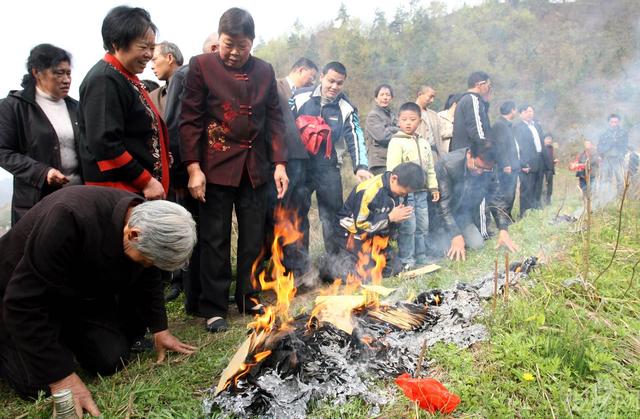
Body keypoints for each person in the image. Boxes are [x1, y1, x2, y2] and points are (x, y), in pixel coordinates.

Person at [0, 186, 197, 417]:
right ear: (133, 234)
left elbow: (148, 275)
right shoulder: (68, 217)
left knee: (110, 359)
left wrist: (159, 329)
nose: (147, 266)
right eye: (147, 261)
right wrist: (62, 378)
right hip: (16, 297)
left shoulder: (145, 221)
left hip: (76, 296)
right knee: (38, 385)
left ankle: (57, 338)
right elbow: (22, 302)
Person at [180, 8, 288, 333]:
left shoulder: (265, 71)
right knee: (215, 238)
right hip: (214, 166)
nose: (235, 52)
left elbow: (276, 120)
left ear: (252, 43)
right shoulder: (201, 67)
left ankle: (247, 296)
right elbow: (190, 119)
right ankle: (214, 306)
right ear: (219, 40)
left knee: (253, 237)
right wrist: (193, 168)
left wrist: (280, 163)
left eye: (242, 45)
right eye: (228, 44)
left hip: (255, 167)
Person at [78, 6, 169, 200]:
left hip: (136, 191)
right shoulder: (104, 79)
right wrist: (146, 180)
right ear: (117, 43)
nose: (149, 55)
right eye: (143, 47)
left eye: (152, 48)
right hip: (120, 193)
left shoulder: (126, 77)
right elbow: (105, 143)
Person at [162, 33, 220, 308]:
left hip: (209, 170)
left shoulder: (217, 78)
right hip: (189, 171)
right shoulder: (186, 75)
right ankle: (194, 299)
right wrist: (182, 174)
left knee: (207, 232)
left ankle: (201, 295)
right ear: (209, 48)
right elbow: (175, 125)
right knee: (192, 232)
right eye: (218, 48)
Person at [291, 61, 371, 257]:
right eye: (331, 81)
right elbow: (282, 125)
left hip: (329, 167)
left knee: (332, 217)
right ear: (321, 78)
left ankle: (335, 265)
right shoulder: (299, 96)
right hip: (301, 167)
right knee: (297, 214)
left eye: (339, 83)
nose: (334, 87)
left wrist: (360, 166)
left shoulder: (347, 107)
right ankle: (300, 266)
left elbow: (355, 135)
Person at [0, 44, 82, 226]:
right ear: (37, 73)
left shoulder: (75, 108)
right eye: (59, 73)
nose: (66, 79)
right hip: (36, 203)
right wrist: (42, 172)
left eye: (69, 73)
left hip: (77, 199)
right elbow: (3, 151)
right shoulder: (14, 107)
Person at [323, 162, 424, 282]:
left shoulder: (399, 189)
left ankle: (365, 261)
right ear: (394, 178)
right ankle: (328, 265)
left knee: (394, 269)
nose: (403, 196)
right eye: (402, 193)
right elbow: (361, 226)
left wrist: (396, 221)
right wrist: (389, 218)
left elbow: (389, 224)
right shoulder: (368, 191)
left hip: (374, 235)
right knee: (360, 276)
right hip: (351, 235)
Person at [266, 57, 318, 284]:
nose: (312, 81)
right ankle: (284, 268)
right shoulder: (275, 86)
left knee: (298, 213)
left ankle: (299, 268)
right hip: (282, 160)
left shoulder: (308, 96)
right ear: (300, 69)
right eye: (311, 76)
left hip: (299, 159)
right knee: (282, 214)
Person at [436, 141, 519, 261]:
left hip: (462, 216)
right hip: (440, 218)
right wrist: (455, 235)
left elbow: (496, 198)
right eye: (477, 167)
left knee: (477, 244)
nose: (480, 172)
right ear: (469, 155)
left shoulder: (490, 168)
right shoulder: (448, 165)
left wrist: (503, 229)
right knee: (440, 250)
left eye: (484, 169)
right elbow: (443, 206)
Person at [386, 102, 439, 269]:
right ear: (398, 121)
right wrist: (397, 193)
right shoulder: (396, 142)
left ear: (420, 121)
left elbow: (430, 168)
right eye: (404, 119)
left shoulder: (424, 143)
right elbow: (392, 170)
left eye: (412, 119)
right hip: (405, 194)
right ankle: (407, 260)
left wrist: (434, 187)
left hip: (422, 192)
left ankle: (421, 256)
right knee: (408, 226)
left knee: (423, 225)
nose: (408, 123)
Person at [450, 71, 492, 152]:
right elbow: (475, 128)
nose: (489, 89)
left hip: (461, 152)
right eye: (488, 86)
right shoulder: (472, 99)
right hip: (470, 153)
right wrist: (486, 146)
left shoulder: (464, 99)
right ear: (479, 85)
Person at [492, 101, 520, 219]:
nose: (516, 112)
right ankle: (503, 217)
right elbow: (500, 146)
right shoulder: (499, 125)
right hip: (506, 166)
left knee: (511, 192)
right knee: (506, 192)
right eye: (515, 109)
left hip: (513, 164)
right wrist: (505, 164)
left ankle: (507, 215)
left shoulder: (508, 125)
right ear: (511, 110)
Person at [515, 104, 545, 216]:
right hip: (527, 161)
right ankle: (525, 212)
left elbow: (542, 143)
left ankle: (536, 209)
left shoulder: (537, 125)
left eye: (531, 111)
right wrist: (522, 163)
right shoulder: (518, 127)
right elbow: (519, 147)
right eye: (527, 111)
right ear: (521, 113)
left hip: (539, 158)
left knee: (538, 185)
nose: (530, 113)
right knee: (527, 187)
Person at [365, 83, 398, 175]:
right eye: (382, 95)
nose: (385, 97)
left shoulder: (392, 115)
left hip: (391, 159)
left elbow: (402, 129)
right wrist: (396, 130)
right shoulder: (373, 116)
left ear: (391, 98)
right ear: (376, 98)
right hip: (378, 162)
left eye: (388, 95)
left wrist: (389, 128)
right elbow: (382, 137)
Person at [150, 41, 184, 117]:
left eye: (154, 60)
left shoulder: (196, 86)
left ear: (169, 58)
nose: (152, 67)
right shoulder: (153, 97)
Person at [598, 113, 628, 195]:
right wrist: (601, 155)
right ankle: (606, 196)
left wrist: (622, 154)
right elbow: (599, 147)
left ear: (618, 122)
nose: (614, 124)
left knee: (620, 179)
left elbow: (625, 146)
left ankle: (620, 197)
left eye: (616, 122)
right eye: (612, 122)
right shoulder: (604, 133)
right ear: (609, 122)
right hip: (606, 159)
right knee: (606, 179)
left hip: (618, 159)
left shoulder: (623, 133)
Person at [416, 85, 447, 159]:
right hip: (417, 154)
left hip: (433, 154)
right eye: (430, 96)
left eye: (433, 97)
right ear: (420, 94)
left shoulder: (434, 115)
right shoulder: (410, 111)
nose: (432, 100)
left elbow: (439, 137)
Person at [542, 133, 557, 206]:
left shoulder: (551, 148)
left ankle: (548, 202)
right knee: (544, 188)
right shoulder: (542, 148)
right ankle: (543, 203)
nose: (549, 140)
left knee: (550, 188)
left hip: (550, 170)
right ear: (544, 140)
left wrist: (553, 161)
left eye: (550, 139)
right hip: (544, 171)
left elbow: (550, 159)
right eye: (547, 139)